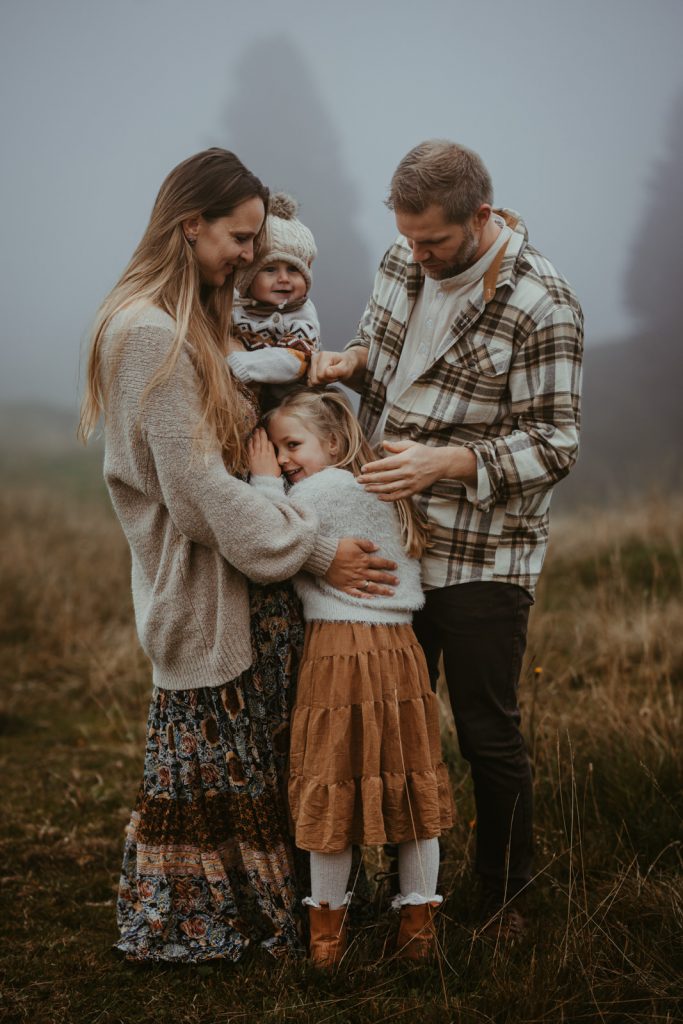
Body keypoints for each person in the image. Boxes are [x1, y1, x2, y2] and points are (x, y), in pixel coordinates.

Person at [78, 148, 398, 963]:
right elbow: (195, 492)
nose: (253, 256)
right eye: (241, 236)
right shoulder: (150, 333)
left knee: (265, 754)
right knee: (221, 757)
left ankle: (291, 906)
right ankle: (220, 920)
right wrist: (315, 549)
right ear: (191, 226)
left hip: (238, 578)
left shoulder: (192, 323)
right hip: (205, 588)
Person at [310, 139, 584, 937]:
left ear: (482, 217)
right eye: (408, 238)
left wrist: (448, 462)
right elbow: (387, 364)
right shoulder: (403, 260)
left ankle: (503, 899)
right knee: (383, 720)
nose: (418, 256)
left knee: (484, 731)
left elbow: (556, 443)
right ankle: (392, 898)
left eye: (433, 241)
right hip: (387, 538)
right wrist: (344, 366)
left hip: (483, 555)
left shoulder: (542, 303)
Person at [247, 388, 455, 968]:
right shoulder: (375, 488)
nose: (286, 458)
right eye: (279, 450)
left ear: (334, 443)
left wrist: (264, 479)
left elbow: (271, 536)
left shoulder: (326, 488)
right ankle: (417, 930)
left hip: (341, 649)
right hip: (399, 652)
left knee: (330, 784)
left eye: (294, 444)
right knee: (410, 784)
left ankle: (326, 940)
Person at [228, 192, 320, 388]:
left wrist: (236, 364)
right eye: (270, 269)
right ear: (247, 278)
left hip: (285, 401)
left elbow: (293, 361)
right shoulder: (234, 304)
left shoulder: (301, 316)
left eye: (293, 269)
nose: (284, 279)